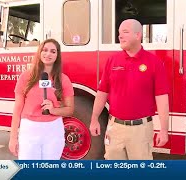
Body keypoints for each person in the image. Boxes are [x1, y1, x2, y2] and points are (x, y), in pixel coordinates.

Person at [89, 19, 170, 160]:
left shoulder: (154, 63)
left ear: (138, 35)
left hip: (141, 130)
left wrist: (164, 130)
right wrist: (94, 119)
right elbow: (102, 92)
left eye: (125, 32)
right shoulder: (112, 61)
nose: (120, 36)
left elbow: (162, 98)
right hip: (115, 128)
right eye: (119, 33)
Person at [9, 39, 74, 160]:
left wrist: (53, 110)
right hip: (29, 130)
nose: (48, 54)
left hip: (53, 131)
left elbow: (70, 110)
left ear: (57, 55)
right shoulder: (25, 77)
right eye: (45, 50)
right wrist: (13, 137)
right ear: (39, 52)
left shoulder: (63, 79)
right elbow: (17, 109)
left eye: (53, 51)